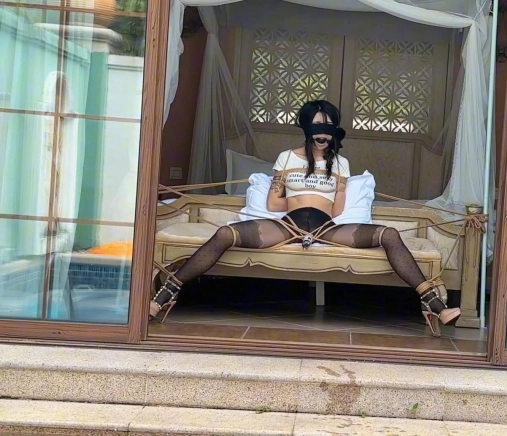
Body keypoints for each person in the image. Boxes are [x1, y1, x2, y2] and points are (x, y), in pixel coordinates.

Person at [150, 100, 461, 336]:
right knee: (224, 234)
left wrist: (330, 190)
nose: (323, 133)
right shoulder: (286, 157)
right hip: (287, 225)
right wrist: (297, 193)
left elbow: (337, 211)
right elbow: (273, 203)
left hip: (327, 228)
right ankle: (165, 296)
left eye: (329, 126)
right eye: (317, 126)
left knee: (389, 234)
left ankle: (434, 305)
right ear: (306, 128)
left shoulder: (340, 163)